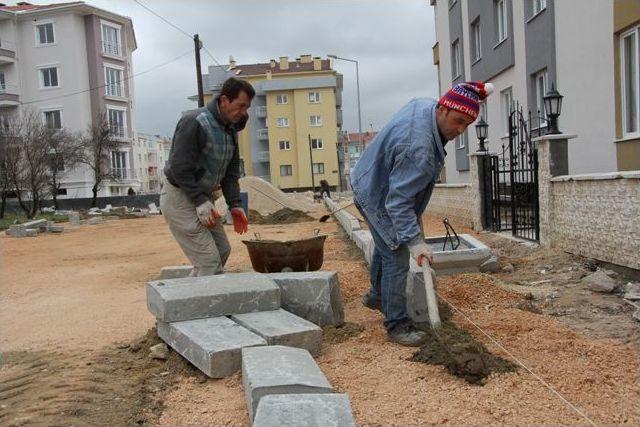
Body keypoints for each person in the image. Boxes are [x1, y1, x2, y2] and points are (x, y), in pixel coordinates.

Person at [351, 81, 493, 346]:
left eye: (466, 125)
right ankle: (397, 325)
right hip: (376, 194)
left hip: (370, 176)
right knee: (396, 253)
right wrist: (416, 243)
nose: (460, 130)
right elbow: (398, 204)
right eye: (458, 121)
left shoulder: (426, 107)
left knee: (387, 244)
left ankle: (377, 296)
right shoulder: (419, 150)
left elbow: (402, 192)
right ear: (442, 108)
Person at [160, 77, 255, 277]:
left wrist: (235, 204)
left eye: (247, 108)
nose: (244, 113)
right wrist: (200, 201)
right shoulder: (195, 122)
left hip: (202, 198)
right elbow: (180, 168)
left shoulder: (230, 130)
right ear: (224, 101)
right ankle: (203, 306)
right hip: (180, 196)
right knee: (209, 261)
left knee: (222, 251)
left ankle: (193, 296)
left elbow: (230, 173)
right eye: (241, 106)